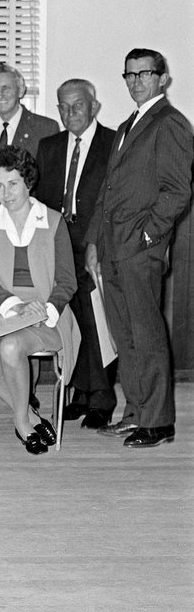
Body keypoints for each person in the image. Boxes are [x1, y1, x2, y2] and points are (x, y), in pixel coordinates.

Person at [85, 48, 194, 448]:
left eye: (144, 74)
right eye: (129, 75)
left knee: (146, 334)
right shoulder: (128, 124)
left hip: (139, 249)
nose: (135, 81)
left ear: (162, 78)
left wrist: (150, 237)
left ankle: (159, 421)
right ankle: (135, 413)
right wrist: (94, 240)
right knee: (124, 334)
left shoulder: (170, 123)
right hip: (112, 249)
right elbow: (107, 192)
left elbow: (178, 191)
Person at [0, 147, 79, 455]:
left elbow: (67, 281)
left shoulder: (53, 222)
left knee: (11, 347)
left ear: (27, 181)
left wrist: (45, 307)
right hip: (0, 306)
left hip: (45, 309)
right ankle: (31, 415)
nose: (5, 192)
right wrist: (14, 304)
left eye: (12, 183)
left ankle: (22, 425)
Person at [35, 79, 117, 430]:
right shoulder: (49, 146)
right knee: (71, 319)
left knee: (97, 321)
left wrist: (98, 243)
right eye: (63, 107)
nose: (70, 113)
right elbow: (39, 198)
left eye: (77, 105)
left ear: (93, 106)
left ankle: (102, 399)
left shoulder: (113, 144)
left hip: (96, 245)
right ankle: (80, 392)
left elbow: (114, 200)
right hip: (58, 246)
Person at [0, 62, 60, 246]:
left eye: (6, 88)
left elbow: (49, 188)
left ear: (21, 89)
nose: (0, 95)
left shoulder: (45, 129)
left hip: (27, 230)